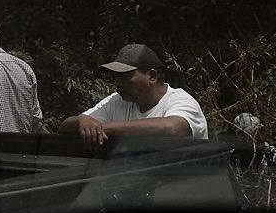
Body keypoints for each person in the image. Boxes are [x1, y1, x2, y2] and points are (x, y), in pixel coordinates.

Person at [60, 43, 207, 147]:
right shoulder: (116, 101)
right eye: (116, 77)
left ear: (152, 77)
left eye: (125, 76)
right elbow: (65, 127)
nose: (118, 83)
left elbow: (173, 128)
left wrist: (103, 128)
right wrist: (82, 120)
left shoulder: (181, 101)